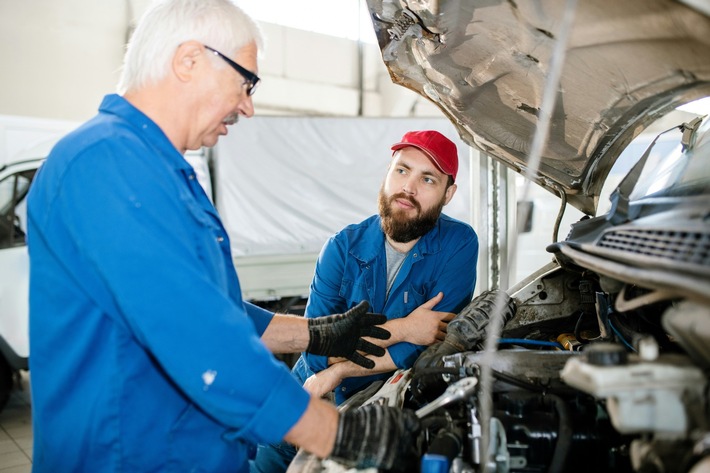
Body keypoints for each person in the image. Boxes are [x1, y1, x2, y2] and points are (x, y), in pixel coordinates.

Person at [26, 1, 419, 471]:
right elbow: (197, 334)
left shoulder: (157, 170)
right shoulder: (107, 163)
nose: (247, 106)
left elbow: (213, 308)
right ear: (189, 60)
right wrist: (341, 433)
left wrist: (316, 334)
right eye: (245, 82)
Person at [251, 129, 479, 473]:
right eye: (402, 170)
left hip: (384, 399)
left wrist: (342, 368)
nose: (408, 187)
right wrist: (405, 328)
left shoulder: (459, 245)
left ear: (449, 193)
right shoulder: (341, 247)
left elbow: (429, 347)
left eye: (428, 178)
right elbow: (317, 349)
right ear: (387, 173)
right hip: (310, 389)